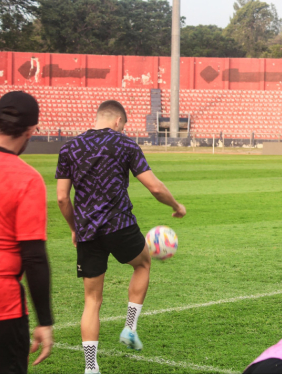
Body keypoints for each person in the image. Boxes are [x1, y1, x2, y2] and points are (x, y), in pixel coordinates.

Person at [56, 100, 186, 374]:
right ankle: (129, 327)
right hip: (120, 225)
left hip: (88, 232)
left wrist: (74, 228)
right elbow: (154, 187)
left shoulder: (69, 148)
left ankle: (91, 368)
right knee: (143, 264)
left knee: (92, 301)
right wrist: (176, 206)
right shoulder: (125, 144)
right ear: (118, 121)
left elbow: (61, 198)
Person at [0, 91, 54, 373]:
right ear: (31, 131)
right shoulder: (26, 178)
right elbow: (34, 257)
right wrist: (45, 321)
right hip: (1, 308)